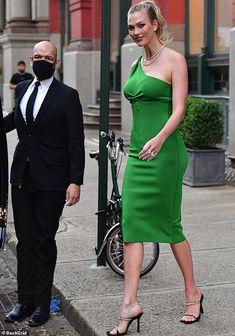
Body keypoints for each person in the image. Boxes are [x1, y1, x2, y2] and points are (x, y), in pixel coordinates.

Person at [106, 1, 204, 335]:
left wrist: (160, 138)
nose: (134, 32)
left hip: (164, 155)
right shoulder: (137, 63)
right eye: (130, 27)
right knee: (131, 225)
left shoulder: (175, 60)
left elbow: (179, 110)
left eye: (140, 26)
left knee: (170, 225)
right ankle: (129, 304)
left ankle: (193, 293)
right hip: (137, 155)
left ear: (156, 24)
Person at [3, 41, 85, 327]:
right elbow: (17, 119)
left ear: (56, 62)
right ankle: (23, 301)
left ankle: (41, 304)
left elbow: (76, 142)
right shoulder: (24, 88)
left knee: (43, 241)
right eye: (37, 57)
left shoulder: (67, 96)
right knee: (24, 242)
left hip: (52, 180)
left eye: (47, 58)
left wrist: (75, 181)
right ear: (30, 58)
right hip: (22, 176)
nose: (41, 61)